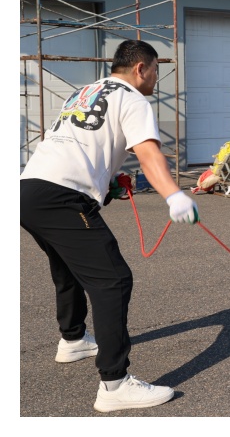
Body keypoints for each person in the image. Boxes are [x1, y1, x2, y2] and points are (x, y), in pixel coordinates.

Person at [20, 39, 197, 411]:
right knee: (113, 280)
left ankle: (72, 340)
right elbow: (148, 153)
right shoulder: (132, 97)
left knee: (68, 269)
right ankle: (115, 385)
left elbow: (81, 143)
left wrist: (109, 181)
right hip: (62, 198)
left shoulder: (85, 91)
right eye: (155, 71)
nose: (155, 79)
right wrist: (173, 195)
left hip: (29, 189)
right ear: (140, 69)